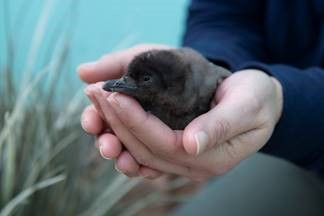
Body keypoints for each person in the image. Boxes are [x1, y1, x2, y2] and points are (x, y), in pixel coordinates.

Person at [78, 0, 324, 215]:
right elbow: (222, 14)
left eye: (143, 80)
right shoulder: (188, 88)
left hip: (297, 119)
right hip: (289, 143)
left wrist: (284, 102)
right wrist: (208, 68)